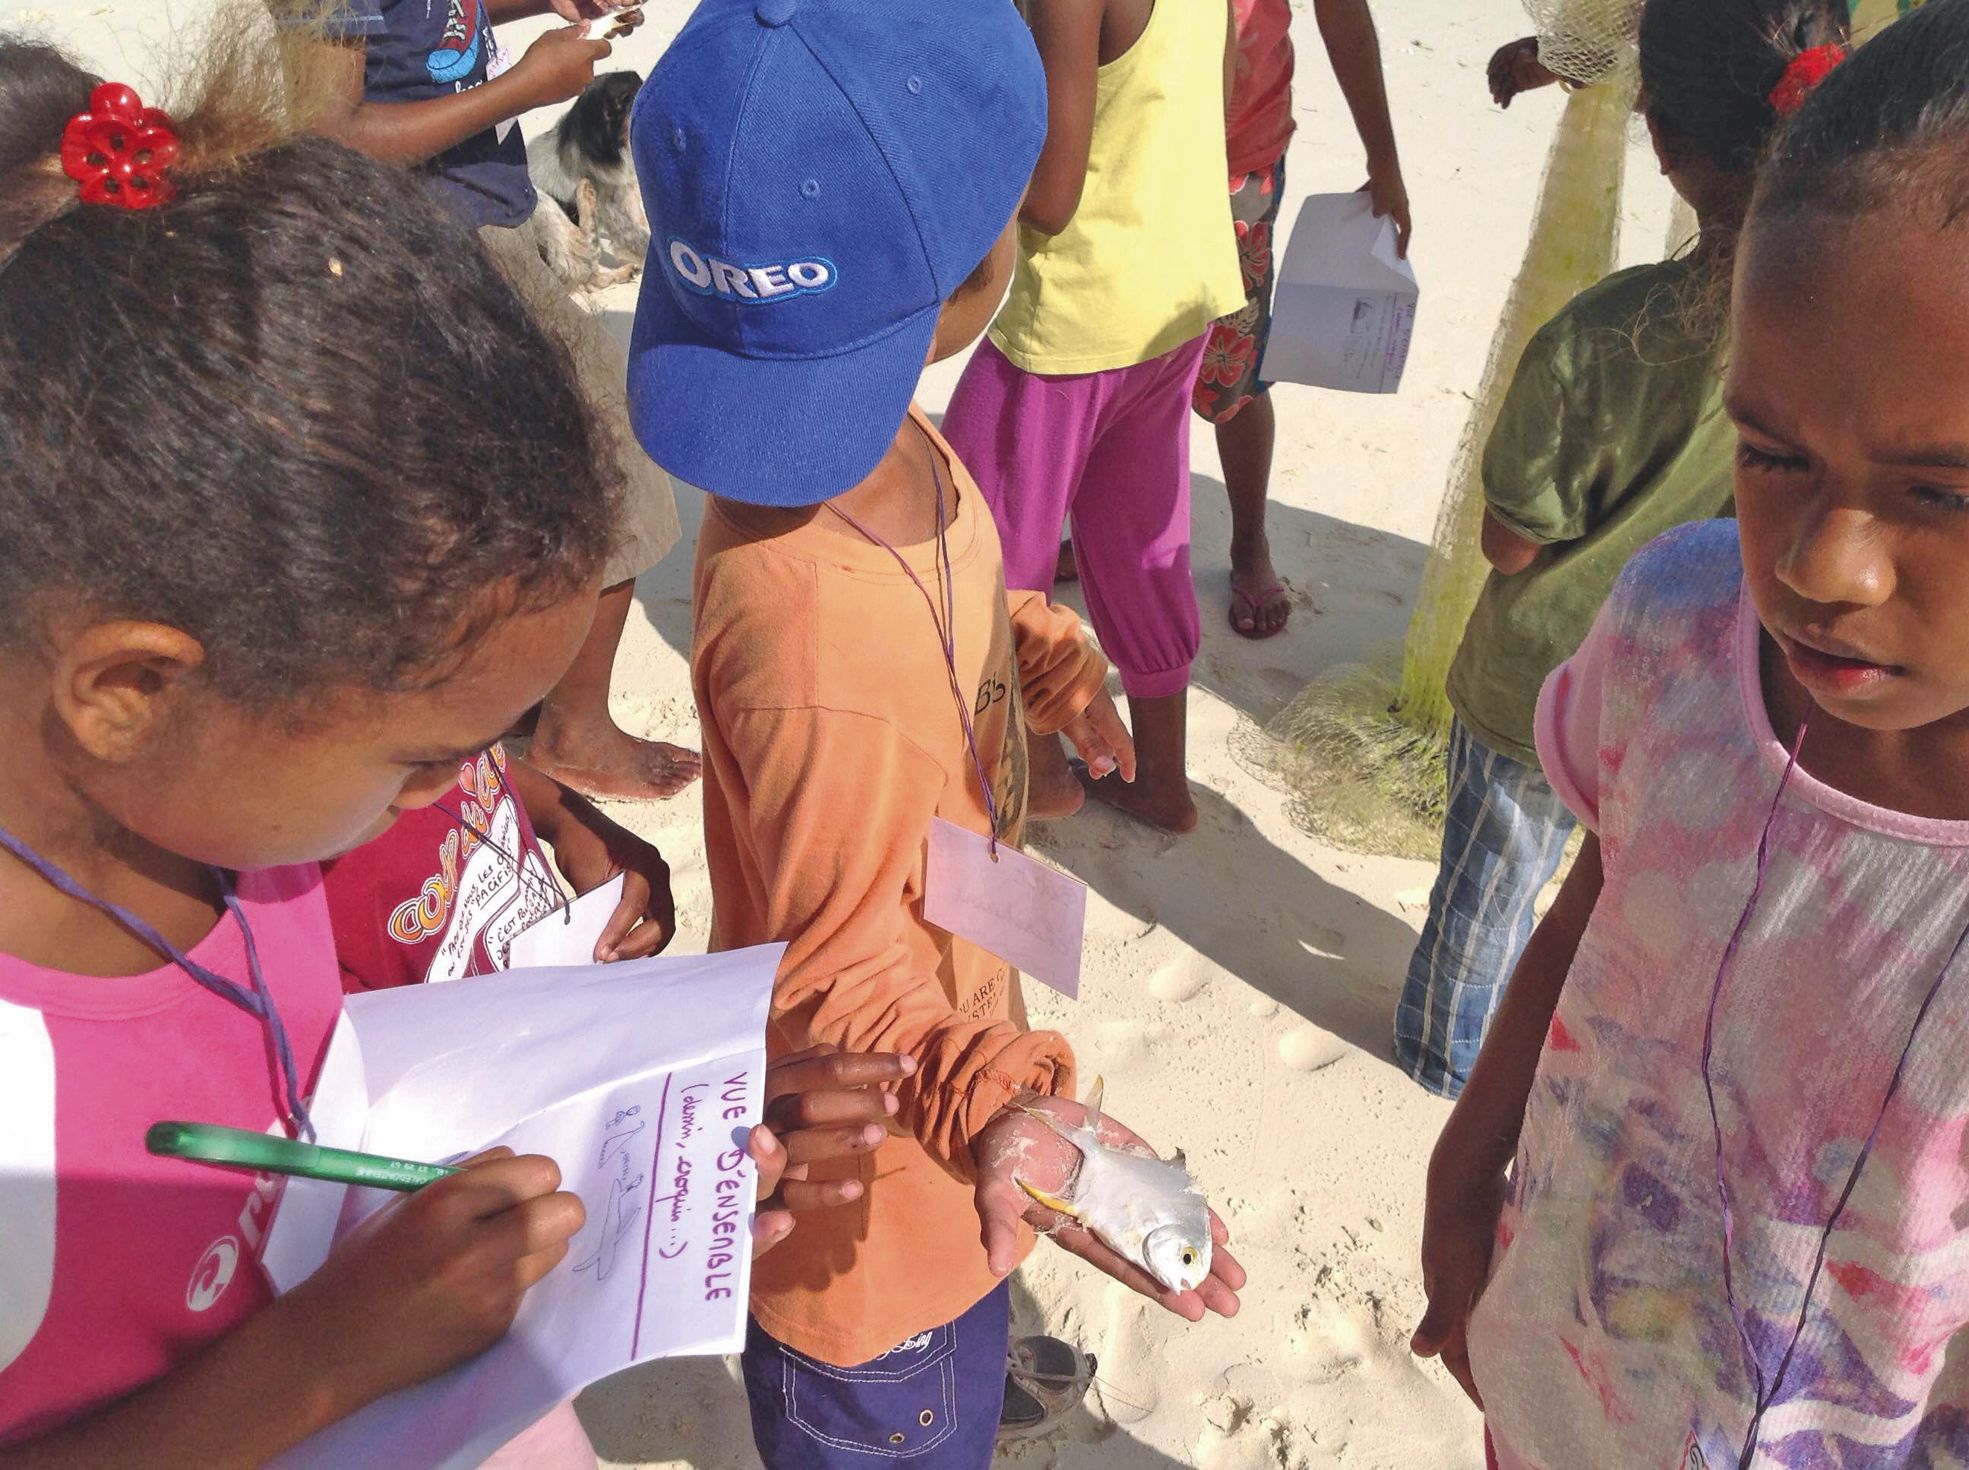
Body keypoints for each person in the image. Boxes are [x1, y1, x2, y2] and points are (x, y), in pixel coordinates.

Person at [0, 30, 891, 1465]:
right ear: (130, 689)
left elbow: (328, 1108)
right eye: (425, 756)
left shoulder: (229, 831)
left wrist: (643, 1124)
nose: (455, 796)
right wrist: (320, 1357)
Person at [624, 0, 1246, 1461]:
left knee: (966, 1324)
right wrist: (996, 1103)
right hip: (872, 1226)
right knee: (899, 1404)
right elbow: (835, 971)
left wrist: (1035, 653)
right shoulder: (806, 631)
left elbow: (964, 568)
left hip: (957, 1075)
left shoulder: (869, 426)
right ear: (990, 263)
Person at [1412, 3, 1969, 1462]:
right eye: (1774, 454)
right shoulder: (1670, 631)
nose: (1821, 565)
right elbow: (1597, 903)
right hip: (1557, 1379)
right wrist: (1468, 1167)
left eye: (1943, 493)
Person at [1390, 0, 1847, 1098]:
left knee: (1489, 886)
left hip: (1535, 683)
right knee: (1607, 890)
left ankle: (1439, 1060)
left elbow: (1508, 544)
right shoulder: (1834, 334)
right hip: (1702, 703)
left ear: (1659, 137)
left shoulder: (1599, 336)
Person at [293, 0, 702, 803]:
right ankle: (573, 727)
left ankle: (509, 707)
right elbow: (330, 134)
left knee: (502, 496)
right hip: (443, 248)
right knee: (611, 473)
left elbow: (425, 24)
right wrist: (522, 88)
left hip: (481, 227)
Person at [939, 0, 1247, 834]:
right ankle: (1160, 781)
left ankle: (1035, 767)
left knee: (988, 552)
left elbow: (1048, 198)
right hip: (1175, 293)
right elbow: (1223, 88)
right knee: (1143, 540)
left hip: (1072, 317)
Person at [1200, 0, 1409, 639]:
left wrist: (1384, 158)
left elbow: (1340, 11)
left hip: (1239, 158)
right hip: (1118, 148)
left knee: (1234, 368)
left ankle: (1249, 541)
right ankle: (1106, 529)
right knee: (1113, 362)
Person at [323, 744, 679, 986]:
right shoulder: (288, 928)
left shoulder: (442, 723)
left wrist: (568, 819)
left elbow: (490, 764)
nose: (460, 759)